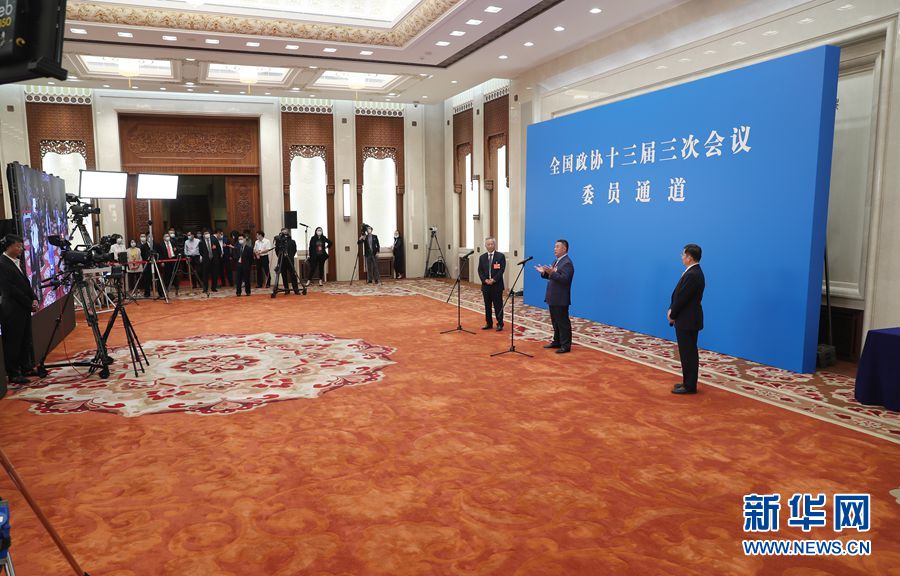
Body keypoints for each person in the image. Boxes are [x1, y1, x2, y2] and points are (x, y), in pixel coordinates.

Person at [0, 234, 38, 388]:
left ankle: (26, 367)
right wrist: (29, 303)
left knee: (25, 338)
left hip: (23, 307)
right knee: (13, 341)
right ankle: (14, 373)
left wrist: (34, 298)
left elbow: (25, 284)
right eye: (18, 246)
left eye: (21, 246)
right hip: (12, 309)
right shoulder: (2, 263)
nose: (21, 249)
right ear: (8, 246)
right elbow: (10, 289)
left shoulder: (17, 261)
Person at [668, 244, 706, 395]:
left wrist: (673, 314)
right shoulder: (692, 272)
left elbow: (682, 298)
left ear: (689, 257)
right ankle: (687, 382)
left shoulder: (693, 275)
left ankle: (690, 386)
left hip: (688, 319)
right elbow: (679, 295)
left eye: (683, 255)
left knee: (688, 353)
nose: (682, 257)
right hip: (687, 318)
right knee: (686, 352)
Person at [534, 239, 575, 354]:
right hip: (553, 297)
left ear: (564, 249)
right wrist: (544, 272)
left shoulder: (567, 263)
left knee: (563, 322)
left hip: (560, 298)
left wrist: (552, 272)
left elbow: (565, 280)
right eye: (554, 246)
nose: (554, 249)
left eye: (557, 246)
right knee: (555, 321)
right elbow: (552, 276)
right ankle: (557, 341)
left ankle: (566, 345)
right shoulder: (556, 261)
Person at [478, 237, 506, 331]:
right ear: (485, 246)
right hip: (486, 285)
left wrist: (493, 280)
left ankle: (500, 323)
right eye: (488, 244)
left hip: (496, 285)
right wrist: (485, 280)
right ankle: (489, 323)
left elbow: (501, 270)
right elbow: (480, 271)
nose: (490, 246)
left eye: (492, 244)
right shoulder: (482, 257)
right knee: (487, 306)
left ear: (495, 245)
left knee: (498, 305)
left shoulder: (500, 256)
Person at [275, 228, 303, 294]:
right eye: (283, 232)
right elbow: (277, 251)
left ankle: (296, 289)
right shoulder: (279, 242)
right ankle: (286, 289)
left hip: (290, 259)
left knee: (293, 274)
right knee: (284, 275)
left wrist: (290, 256)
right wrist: (280, 256)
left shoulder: (292, 241)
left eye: (285, 231)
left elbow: (294, 250)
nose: (284, 233)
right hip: (282, 260)